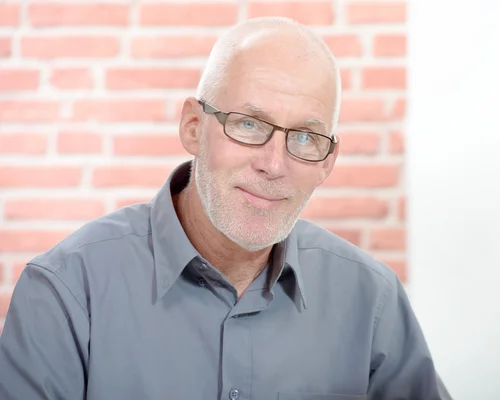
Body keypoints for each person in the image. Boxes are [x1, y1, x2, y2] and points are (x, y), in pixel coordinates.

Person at [0, 17, 452, 400]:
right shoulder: (65, 294)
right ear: (194, 127)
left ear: (327, 162)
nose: (274, 164)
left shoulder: (371, 298)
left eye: (305, 138)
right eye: (249, 124)